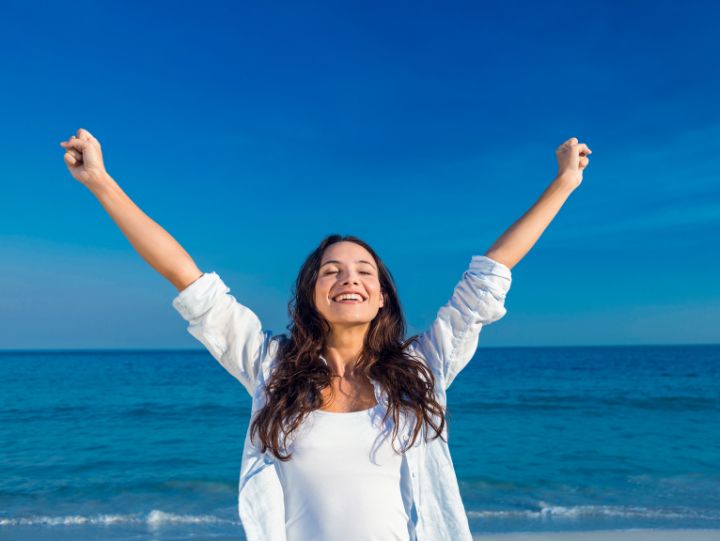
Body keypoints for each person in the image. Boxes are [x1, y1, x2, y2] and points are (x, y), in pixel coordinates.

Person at [59, 128, 591, 541]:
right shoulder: (269, 366)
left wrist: (564, 183)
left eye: (364, 270)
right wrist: (102, 183)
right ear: (311, 291)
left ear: (382, 294)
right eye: (331, 270)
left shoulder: (423, 367)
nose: (348, 278)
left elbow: (490, 275)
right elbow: (187, 278)